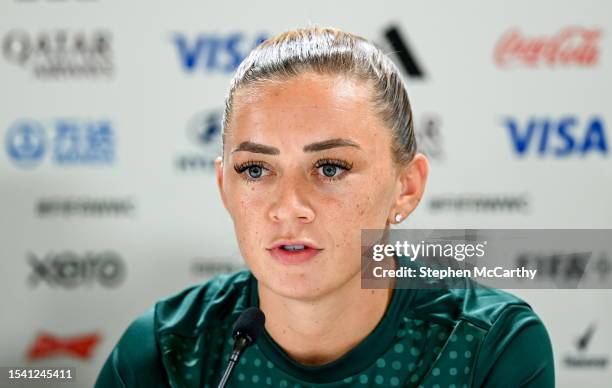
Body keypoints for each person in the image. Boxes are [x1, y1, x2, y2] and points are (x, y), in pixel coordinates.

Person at [95, 26, 554, 387]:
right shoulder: (167, 349)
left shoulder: (488, 344)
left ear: (406, 188)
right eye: (255, 170)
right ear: (224, 187)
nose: (288, 207)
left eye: (330, 167)